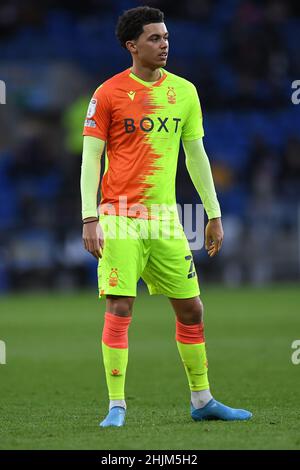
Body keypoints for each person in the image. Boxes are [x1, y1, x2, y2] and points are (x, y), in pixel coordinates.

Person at [80, 6, 252, 427]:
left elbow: (196, 155)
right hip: (118, 215)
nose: (164, 44)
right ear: (132, 45)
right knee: (121, 307)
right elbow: (90, 159)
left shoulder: (185, 92)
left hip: (166, 219)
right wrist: (89, 217)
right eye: (155, 38)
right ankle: (117, 406)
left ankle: (202, 400)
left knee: (192, 309)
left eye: (166, 37)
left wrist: (213, 213)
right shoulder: (108, 93)